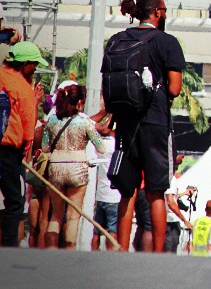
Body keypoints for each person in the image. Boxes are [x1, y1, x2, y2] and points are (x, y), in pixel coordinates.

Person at [107, 0, 186, 253]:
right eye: (163, 10)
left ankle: (120, 249)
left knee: (127, 192)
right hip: (155, 123)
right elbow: (174, 88)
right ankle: (157, 255)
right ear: (157, 12)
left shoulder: (117, 39)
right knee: (156, 191)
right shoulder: (167, 42)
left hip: (125, 122)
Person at [42, 83, 105, 248]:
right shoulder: (85, 121)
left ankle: (51, 251)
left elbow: (45, 147)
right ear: (79, 102)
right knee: (73, 216)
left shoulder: (53, 119)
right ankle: (70, 253)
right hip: (78, 169)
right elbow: (101, 147)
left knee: (55, 215)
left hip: (55, 168)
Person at [0, 42, 45, 247]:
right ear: (25, 63)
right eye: (34, 64)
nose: (34, 68)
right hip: (8, 150)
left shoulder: (1, 76)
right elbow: (28, 129)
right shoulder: (23, 87)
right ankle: (8, 249)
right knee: (15, 202)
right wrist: (24, 154)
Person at [88, 112, 121, 251]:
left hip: (100, 195)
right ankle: (110, 257)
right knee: (112, 231)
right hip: (114, 196)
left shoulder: (100, 146)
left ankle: (93, 254)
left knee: (96, 231)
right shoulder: (117, 147)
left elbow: (98, 129)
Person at [164, 162, 194, 253]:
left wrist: (184, 193)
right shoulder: (171, 178)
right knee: (170, 251)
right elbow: (171, 202)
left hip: (167, 220)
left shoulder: (163, 177)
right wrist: (184, 220)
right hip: (170, 221)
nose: (183, 158)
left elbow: (170, 197)